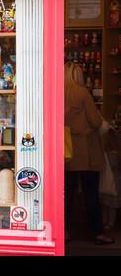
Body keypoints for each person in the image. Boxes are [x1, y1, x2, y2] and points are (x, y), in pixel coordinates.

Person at [64, 62, 114, 245]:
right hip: (86, 151)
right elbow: (95, 121)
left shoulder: (58, 91)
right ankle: (98, 233)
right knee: (90, 193)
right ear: (78, 75)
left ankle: (65, 231)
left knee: (67, 194)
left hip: (66, 150)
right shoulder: (82, 92)